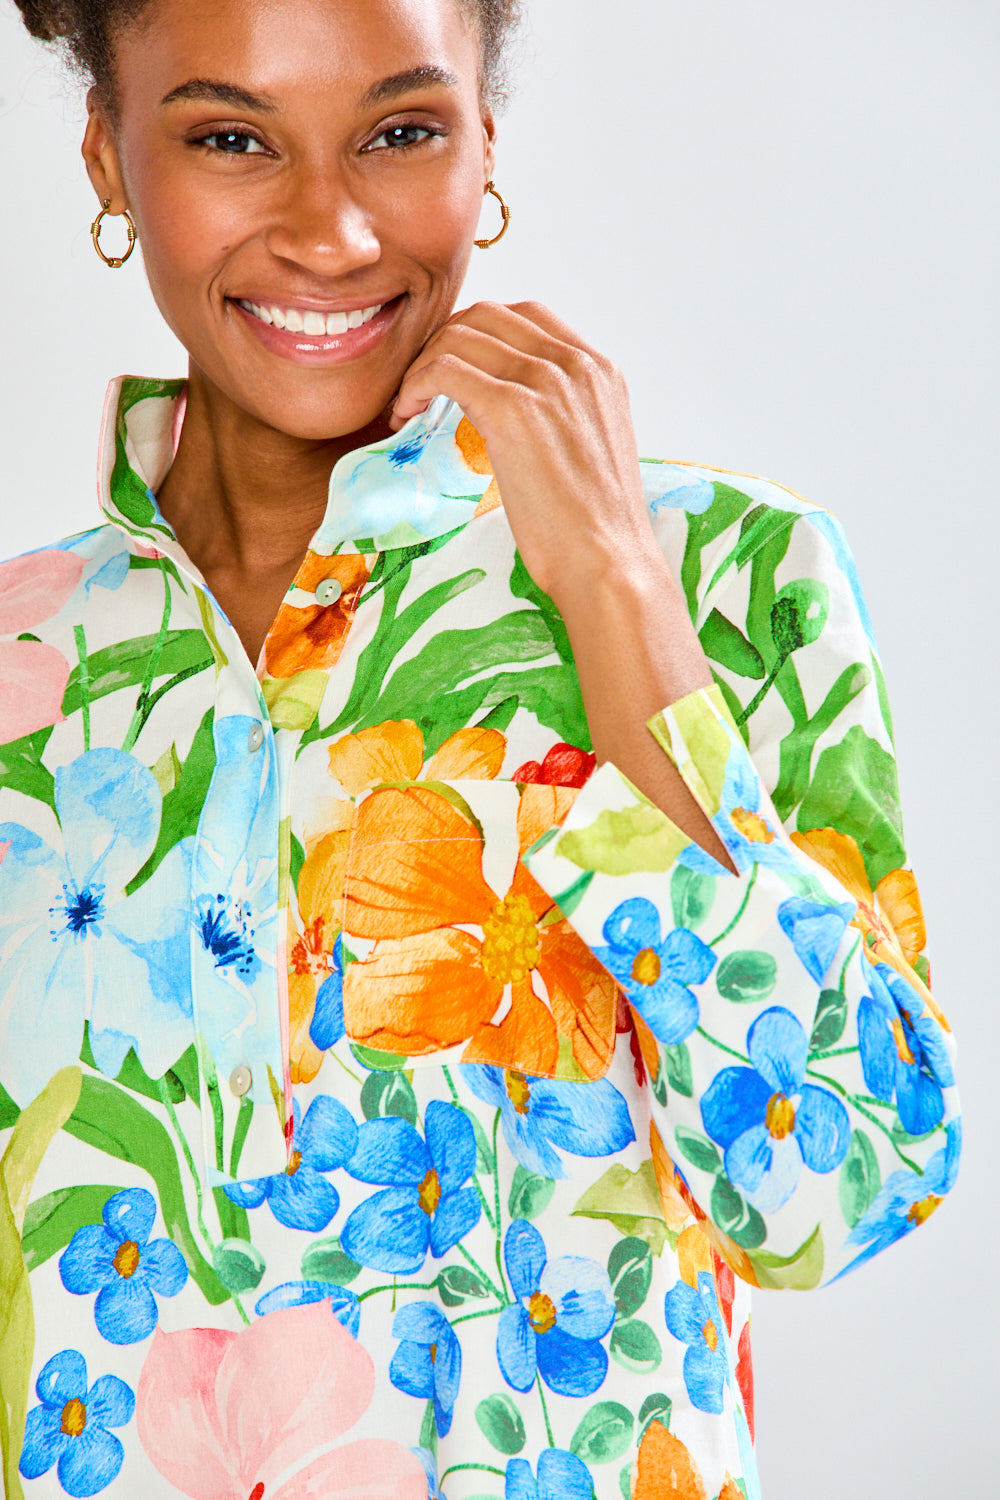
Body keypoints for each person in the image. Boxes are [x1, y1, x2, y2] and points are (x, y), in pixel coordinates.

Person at [0, 0, 960, 1497]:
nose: (330, 232)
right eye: (233, 139)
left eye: (400, 132)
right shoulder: (26, 666)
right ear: (109, 164)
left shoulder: (726, 577)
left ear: (484, 148)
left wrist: (613, 585)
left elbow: (843, 1187)